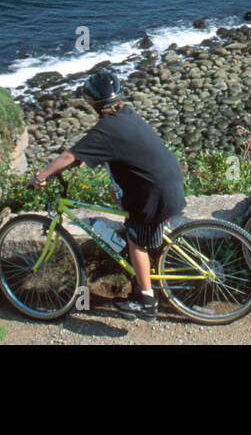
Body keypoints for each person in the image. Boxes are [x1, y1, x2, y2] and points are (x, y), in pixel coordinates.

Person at [29, 71, 186, 321]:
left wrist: (41, 176)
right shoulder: (126, 115)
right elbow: (109, 147)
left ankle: (147, 300)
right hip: (169, 182)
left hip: (155, 194)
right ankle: (139, 284)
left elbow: (69, 156)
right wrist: (84, 157)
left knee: (136, 240)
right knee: (119, 198)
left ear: (93, 103)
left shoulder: (106, 131)